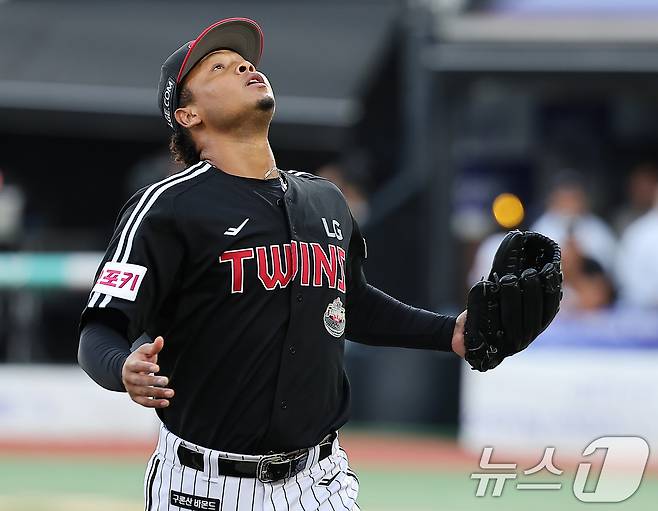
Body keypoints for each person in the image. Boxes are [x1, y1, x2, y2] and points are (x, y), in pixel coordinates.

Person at [77, 18, 466, 511]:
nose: (243, 66)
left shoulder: (325, 200)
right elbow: (101, 329)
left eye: (244, 62)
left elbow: (355, 306)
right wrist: (121, 369)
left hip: (321, 481)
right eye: (218, 67)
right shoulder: (166, 208)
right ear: (188, 114)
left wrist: (450, 332)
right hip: (204, 487)